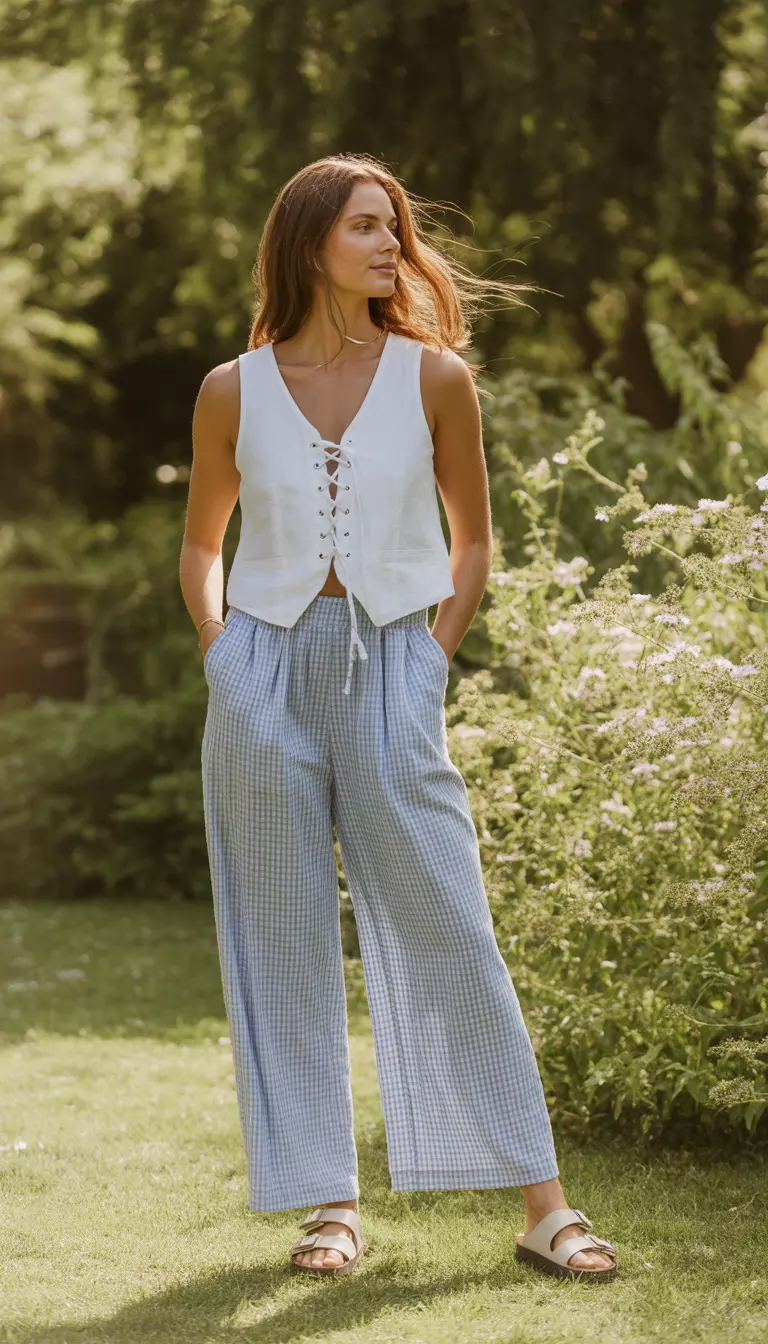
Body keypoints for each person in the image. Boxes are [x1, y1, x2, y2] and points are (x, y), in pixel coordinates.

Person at [180, 153, 617, 1284]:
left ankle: (543, 1205)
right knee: (280, 943)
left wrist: (427, 665)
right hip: (263, 670)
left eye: (397, 231)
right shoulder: (233, 387)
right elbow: (200, 545)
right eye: (368, 227)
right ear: (311, 239)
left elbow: (473, 542)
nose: (393, 247)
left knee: (449, 924)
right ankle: (331, 1207)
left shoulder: (435, 379)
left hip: (393, 663)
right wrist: (225, 657)